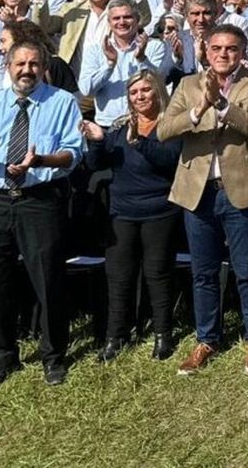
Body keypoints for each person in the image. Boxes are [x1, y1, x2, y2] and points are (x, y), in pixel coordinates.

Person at [0, 39, 82, 390]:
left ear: (43, 66)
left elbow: (74, 154)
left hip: (39, 199)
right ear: (8, 67)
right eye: (20, 64)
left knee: (48, 279)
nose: (26, 70)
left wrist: (41, 160)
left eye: (33, 64)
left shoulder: (62, 102)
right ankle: (1, 358)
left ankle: (53, 356)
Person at [158, 23, 248, 376]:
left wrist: (222, 103)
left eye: (231, 49)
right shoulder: (187, 84)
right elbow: (165, 130)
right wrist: (198, 110)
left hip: (240, 188)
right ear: (206, 51)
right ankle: (206, 338)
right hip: (198, 192)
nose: (223, 55)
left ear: (243, 53)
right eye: (216, 49)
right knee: (204, 272)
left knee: (247, 269)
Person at [78, 68, 182, 362]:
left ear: (158, 92)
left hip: (160, 210)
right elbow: (97, 164)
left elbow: (169, 161)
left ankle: (163, 334)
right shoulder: (121, 128)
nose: (139, 97)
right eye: (134, 92)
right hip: (122, 212)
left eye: (145, 91)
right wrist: (97, 140)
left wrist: (141, 142)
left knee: (157, 273)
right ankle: (115, 336)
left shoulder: (171, 126)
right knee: (119, 276)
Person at [77, 0, 173, 123]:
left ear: (137, 19)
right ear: (109, 22)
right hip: (108, 124)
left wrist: (142, 58)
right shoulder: (96, 49)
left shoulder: (154, 46)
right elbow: (86, 90)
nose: (122, 22)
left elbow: (159, 84)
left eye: (127, 17)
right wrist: (109, 65)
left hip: (146, 122)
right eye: (116, 18)